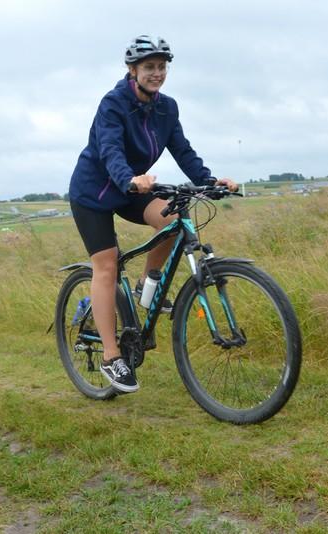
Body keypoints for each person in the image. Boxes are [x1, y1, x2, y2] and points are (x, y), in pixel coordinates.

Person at [68, 35, 238, 394]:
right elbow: (110, 148)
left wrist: (209, 181)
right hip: (95, 192)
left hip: (133, 187)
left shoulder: (167, 108)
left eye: (162, 67)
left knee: (173, 220)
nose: (157, 73)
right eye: (149, 67)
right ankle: (111, 356)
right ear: (133, 70)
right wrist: (129, 179)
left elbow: (183, 150)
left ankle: (148, 283)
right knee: (107, 266)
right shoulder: (113, 103)